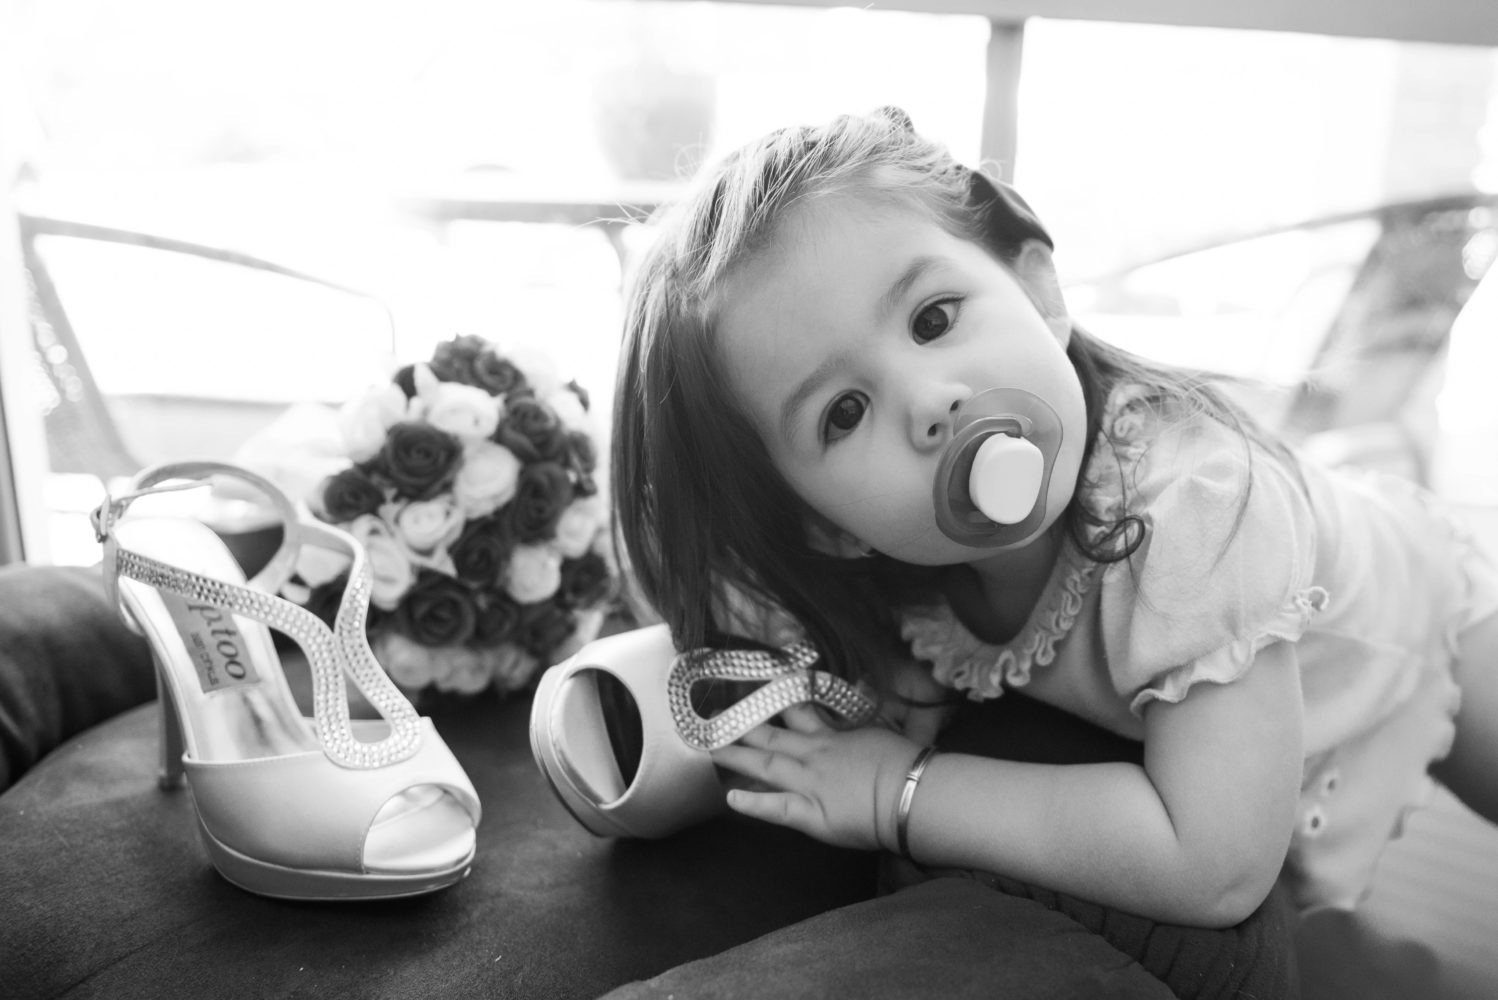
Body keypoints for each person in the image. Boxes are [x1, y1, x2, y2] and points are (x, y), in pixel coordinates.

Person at [609, 106, 1498, 928]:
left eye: (933, 318)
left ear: (1037, 290)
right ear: (823, 525)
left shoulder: (1196, 505)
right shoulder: (898, 567)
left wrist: (902, 794)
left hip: (1425, 616)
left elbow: (1214, 866)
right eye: (844, 413)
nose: (930, 401)